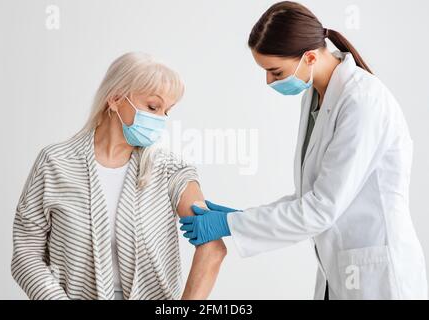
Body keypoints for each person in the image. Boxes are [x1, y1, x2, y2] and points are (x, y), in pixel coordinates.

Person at [179, 1, 427, 299]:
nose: (268, 81)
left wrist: (232, 225)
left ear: (309, 57)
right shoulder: (316, 95)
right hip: (339, 271)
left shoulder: (362, 101)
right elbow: (309, 198)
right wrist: (242, 216)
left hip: (379, 278)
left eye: (275, 71)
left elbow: (321, 208)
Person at [11, 52, 227, 300]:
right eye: (153, 107)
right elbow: (26, 253)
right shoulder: (55, 163)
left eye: (166, 111)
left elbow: (212, 247)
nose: (159, 120)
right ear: (114, 98)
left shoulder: (171, 170)